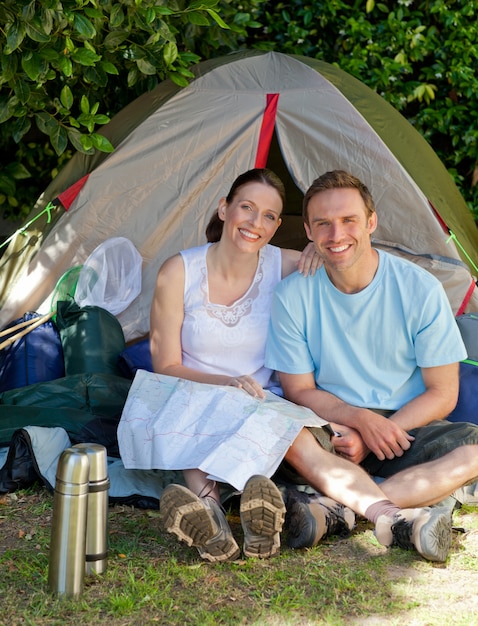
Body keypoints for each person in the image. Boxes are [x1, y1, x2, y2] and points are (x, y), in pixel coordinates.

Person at [133, 168, 460, 566]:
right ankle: (213, 516)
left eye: (269, 215)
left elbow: (443, 391)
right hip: (233, 398)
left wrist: (315, 249)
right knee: (236, 418)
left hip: (302, 408)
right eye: (247, 208)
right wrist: (228, 383)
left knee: (296, 437)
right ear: (224, 208)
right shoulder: (188, 272)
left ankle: (350, 512)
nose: (256, 223)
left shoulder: (293, 266)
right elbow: (167, 365)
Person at [265, 169, 478, 561]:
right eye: (323, 224)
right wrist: (360, 422)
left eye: (348, 220)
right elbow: (298, 390)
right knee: (283, 439)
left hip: (408, 425)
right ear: (309, 231)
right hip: (332, 425)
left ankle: (339, 511)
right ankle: (399, 501)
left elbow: (444, 393)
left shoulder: (419, 289)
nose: (336, 235)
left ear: (371, 222)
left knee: (474, 450)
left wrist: (382, 430)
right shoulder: (292, 295)